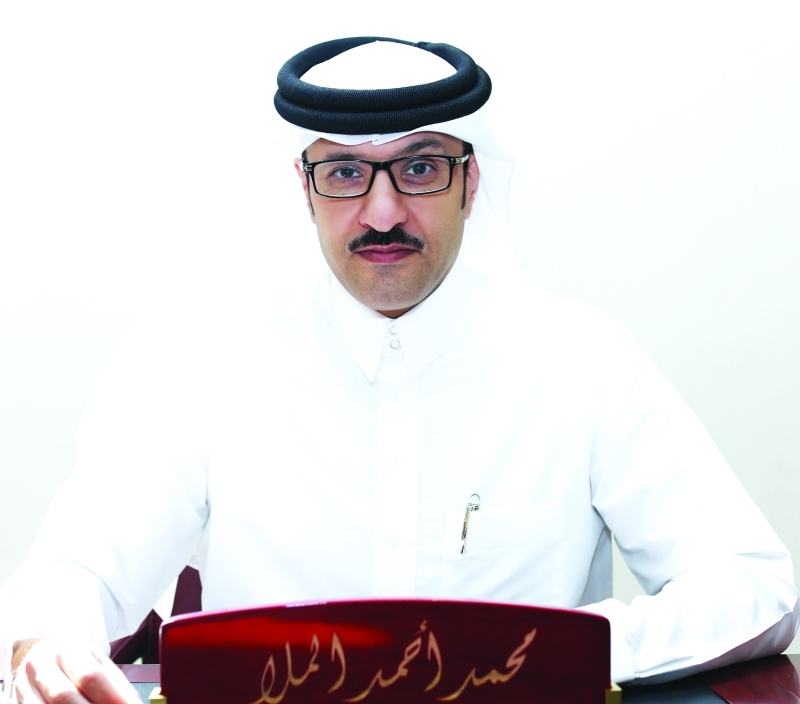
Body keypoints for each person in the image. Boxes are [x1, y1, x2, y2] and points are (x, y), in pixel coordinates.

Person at [2, 36, 798, 703]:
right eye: (346, 172)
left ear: (471, 180)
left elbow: (755, 586)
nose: (382, 212)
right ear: (305, 188)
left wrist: (552, 650)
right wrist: (52, 643)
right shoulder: (199, 362)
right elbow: (78, 567)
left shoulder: (584, 364)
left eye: (419, 168)